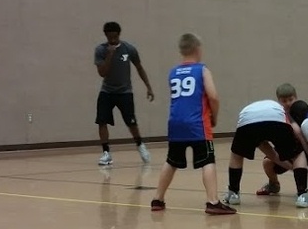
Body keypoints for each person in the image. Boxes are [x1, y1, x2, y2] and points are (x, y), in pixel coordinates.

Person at [149, 33, 235, 215]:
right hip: (197, 123)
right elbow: (213, 96)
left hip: (175, 123)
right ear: (198, 49)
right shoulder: (202, 70)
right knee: (207, 160)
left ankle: (158, 199)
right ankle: (213, 201)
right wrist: (214, 117)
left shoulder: (173, 72)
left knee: (171, 160)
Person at [223, 99, 308, 207]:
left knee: (236, 155)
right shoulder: (280, 110)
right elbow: (296, 131)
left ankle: (233, 194)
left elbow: (271, 154)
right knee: (298, 154)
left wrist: (291, 168)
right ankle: (302, 195)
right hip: (276, 119)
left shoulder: (250, 112)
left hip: (247, 121)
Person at [93, 21, 154, 166]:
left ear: (119, 35)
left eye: (115, 37)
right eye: (110, 37)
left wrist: (148, 87)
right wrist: (110, 54)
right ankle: (106, 153)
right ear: (106, 36)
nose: (112, 40)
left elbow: (139, 67)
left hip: (125, 92)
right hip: (107, 91)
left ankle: (140, 145)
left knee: (131, 123)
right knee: (102, 121)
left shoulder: (129, 49)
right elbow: (102, 73)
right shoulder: (101, 50)